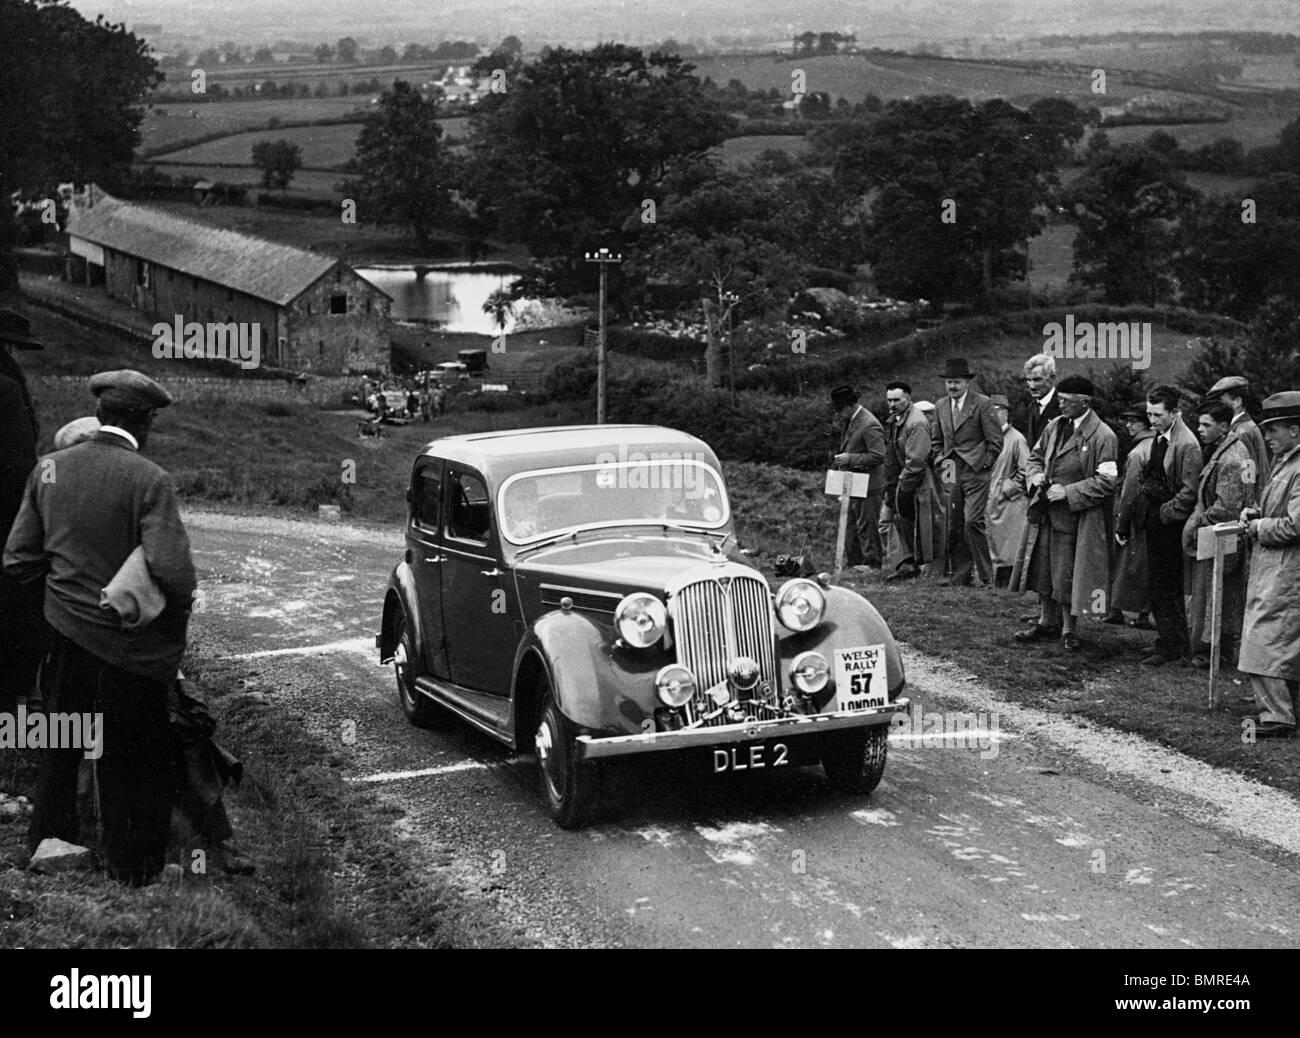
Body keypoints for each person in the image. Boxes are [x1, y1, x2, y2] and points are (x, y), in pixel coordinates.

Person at [5, 370, 197, 886]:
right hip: (127, 650)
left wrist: (58, 602)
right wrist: (166, 625)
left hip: (65, 637)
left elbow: (18, 559)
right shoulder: (148, 479)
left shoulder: (48, 469)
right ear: (145, 421)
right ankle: (130, 866)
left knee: (61, 740)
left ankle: (47, 841)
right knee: (129, 752)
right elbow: (173, 572)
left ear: (102, 414)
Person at [1012, 375, 1118, 652]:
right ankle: (1047, 621)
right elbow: (1034, 458)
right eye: (1059, 400)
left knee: (1069, 574)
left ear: (1085, 402)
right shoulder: (1055, 427)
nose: (1060, 405)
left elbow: (1107, 482)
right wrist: (1034, 477)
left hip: (1076, 519)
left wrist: (1068, 492)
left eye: (1067, 401)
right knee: (1043, 569)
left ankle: (1069, 629)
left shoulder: (1104, 436)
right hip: (1046, 512)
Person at [1237, 391, 1300, 738]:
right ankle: (1281, 709)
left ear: (1295, 430)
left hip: (1287, 568)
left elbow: (1296, 525)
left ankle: (1277, 714)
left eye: (1275, 429)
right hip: (1276, 565)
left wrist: (1260, 527)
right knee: (1274, 636)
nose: (1268, 436)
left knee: (1267, 637)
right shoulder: (1287, 462)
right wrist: (1259, 515)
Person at [1128, 385, 1202, 667]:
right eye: (1149, 414)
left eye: (1158, 414)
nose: (1152, 420)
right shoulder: (1162, 436)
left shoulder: (1187, 443)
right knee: (1158, 583)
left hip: (1169, 525)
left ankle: (1174, 645)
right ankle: (1166, 639)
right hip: (1156, 520)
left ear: (1174, 412)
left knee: (1168, 585)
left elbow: (1189, 490)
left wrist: (1164, 514)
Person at [1183, 399, 1250, 670]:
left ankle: (1212, 652)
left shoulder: (1232, 457)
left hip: (1221, 534)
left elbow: (1227, 506)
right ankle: (1210, 650)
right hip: (1218, 532)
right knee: (1213, 594)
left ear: (1223, 426)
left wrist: (1197, 521)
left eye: (1205, 424)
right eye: (1199, 423)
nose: (1199, 429)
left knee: (1214, 595)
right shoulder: (1227, 450)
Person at [0, 309, 44, 710]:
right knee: (17, 603)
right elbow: (19, 465)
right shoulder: (7, 389)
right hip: (5, 518)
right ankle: (15, 696)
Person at [936, 358, 1002, 587]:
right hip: (950, 469)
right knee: (953, 522)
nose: (952, 386)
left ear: (967, 383)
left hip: (975, 471)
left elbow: (995, 440)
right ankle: (961, 576)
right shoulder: (940, 406)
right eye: (949, 382)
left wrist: (985, 465)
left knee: (972, 521)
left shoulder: (982, 404)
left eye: (957, 382)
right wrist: (940, 460)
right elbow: (938, 440)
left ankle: (986, 577)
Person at [882, 383, 945, 582]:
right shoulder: (896, 419)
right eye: (889, 400)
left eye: (897, 400)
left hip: (917, 480)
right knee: (897, 520)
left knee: (923, 524)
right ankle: (907, 564)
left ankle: (925, 569)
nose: (892, 404)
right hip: (902, 478)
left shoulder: (916, 422)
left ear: (908, 399)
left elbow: (916, 461)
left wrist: (903, 488)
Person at [1107, 404, 1155, 630]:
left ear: (1145, 423)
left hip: (1135, 518)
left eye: (1133, 421)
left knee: (1125, 565)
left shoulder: (1137, 453)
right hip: (1148, 515)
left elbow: (1129, 492)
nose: (1128, 425)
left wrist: (1121, 524)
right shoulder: (1154, 445)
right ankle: (1141, 613)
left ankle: (1120, 611)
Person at [830, 385, 886, 571]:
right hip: (854, 482)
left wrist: (849, 459)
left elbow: (878, 456)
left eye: (839, 410)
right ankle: (855, 564)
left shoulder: (869, 424)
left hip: (869, 484)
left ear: (850, 405)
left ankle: (873, 565)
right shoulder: (852, 420)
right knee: (851, 525)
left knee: (867, 526)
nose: (837, 414)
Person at [984, 394, 1029, 589]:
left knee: (1008, 544)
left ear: (1006, 413)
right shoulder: (984, 437)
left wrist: (1006, 489)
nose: (994, 416)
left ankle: (1008, 585)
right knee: (991, 542)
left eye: (997, 411)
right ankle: (992, 581)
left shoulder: (1017, 439)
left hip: (1009, 502)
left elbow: (1026, 471)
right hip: (987, 498)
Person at [1204, 375, 1269, 504]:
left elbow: (1249, 476)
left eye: (1221, 402)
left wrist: (1248, 505)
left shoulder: (1241, 431)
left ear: (1237, 401)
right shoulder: (1244, 426)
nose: (1216, 407)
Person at [1021, 352, 1061, 450]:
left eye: (1037, 380)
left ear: (1052, 378)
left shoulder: (1063, 406)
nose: (1032, 386)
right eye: (1029, 380)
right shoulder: (1032, 406)